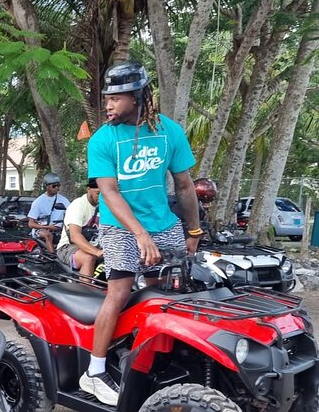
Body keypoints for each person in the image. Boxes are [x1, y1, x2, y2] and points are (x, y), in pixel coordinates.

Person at [79, 61, 201, 406]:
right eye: (107, 98)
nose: (108, 105)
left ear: (136, 96)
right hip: (119, 227)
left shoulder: (169, 131)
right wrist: (140, 235)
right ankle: (95, 370)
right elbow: (109, 194)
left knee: (163, 295)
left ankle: (152, 358)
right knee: (118, 291)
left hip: (164, 225)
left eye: (115, 98)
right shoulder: (103, 139)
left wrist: (193, 229)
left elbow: (184, 184)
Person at [56, 178, 103, 277]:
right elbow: (75, 236)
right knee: (89, 257)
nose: (101, 197)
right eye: (98, 193)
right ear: (88, 188)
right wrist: (96, 252)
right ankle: (85, 289)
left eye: (104, 193)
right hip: (68, 247)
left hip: (96, 245)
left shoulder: (105, 206)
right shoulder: (78, 205)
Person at [27, 173, 70, 253]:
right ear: (46, 186)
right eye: (54, 186)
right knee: (48, 235)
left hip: (60, 228)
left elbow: (71, 212)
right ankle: (53, 256)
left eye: (58, 185)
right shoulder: (38, 202)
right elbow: (31, 224)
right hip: (41, 229)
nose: (57, 188)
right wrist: (48, 227)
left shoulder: (64, 200)